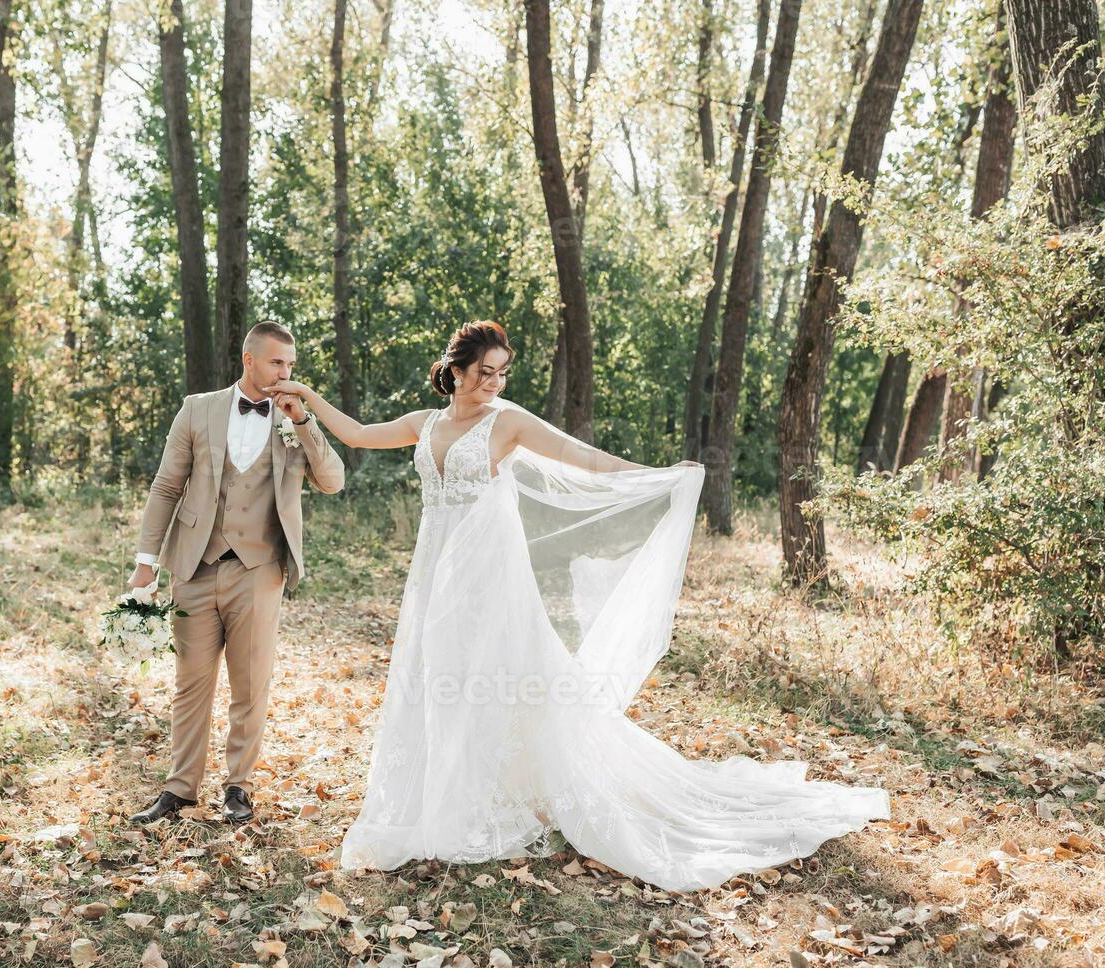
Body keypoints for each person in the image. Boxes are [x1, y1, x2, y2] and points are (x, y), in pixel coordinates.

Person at [263, 320, 889, 892]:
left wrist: (659, 476)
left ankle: (500, 793)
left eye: (503, 372)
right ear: (455, 370)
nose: (495, 382)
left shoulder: (506, 422)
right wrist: (305, 400)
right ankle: (445, 794)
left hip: (489, 571)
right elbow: (359, 436)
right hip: (436, 567)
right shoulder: (426, 425)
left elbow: (580, 458)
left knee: (497, 673)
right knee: (439, 672)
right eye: (486, 371)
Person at [127, 320, 346, 825]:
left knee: (250, 685)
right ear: (249, 360)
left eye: (290, 364)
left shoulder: (294, 418)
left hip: (260, 568)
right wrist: (145, 563)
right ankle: (180, 790)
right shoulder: (197, 409)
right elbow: (166, 487)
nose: (285, 372)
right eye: (276, 363)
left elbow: (332, 481)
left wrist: (304, 422)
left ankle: (237, 788)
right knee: (191, 684)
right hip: (195, 567)